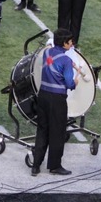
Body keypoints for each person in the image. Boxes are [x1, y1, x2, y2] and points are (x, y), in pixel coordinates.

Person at [31, 28, 78, 177]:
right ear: (64, 43)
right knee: (57, 132)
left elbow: (51, 63)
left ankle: (36, 165)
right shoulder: (66, 60)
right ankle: (54, 166)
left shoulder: (47, 53)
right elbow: (69, 83)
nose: (71, 44)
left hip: (43, 96)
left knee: (42, 130)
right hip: (57, 99)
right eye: (70, 42)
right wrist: (76, 82)